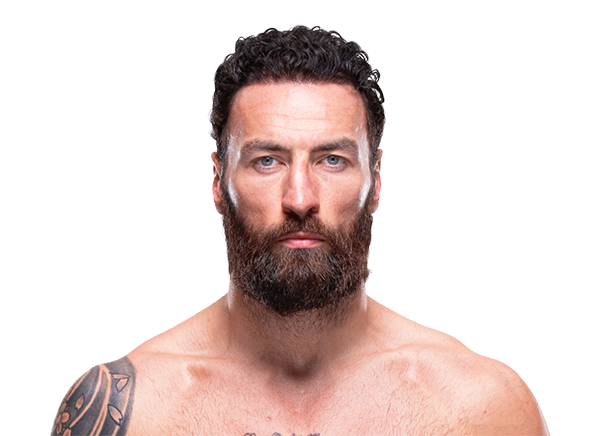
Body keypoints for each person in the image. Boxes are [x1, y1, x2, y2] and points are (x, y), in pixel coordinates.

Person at [52, 26, 548, 436]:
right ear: (219, 181)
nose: (300, 198)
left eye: (332, 160)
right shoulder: (130, 412)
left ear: (375, 182)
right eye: (267, 161)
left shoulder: (481, 410)